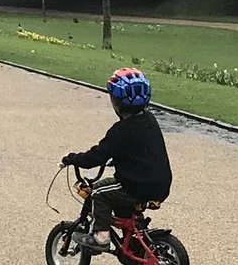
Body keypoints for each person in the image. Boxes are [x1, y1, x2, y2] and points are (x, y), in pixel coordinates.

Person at [63, 68, 172, 232]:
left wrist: (74, 159)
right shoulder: (149, 120)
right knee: (121, 201)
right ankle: (136, 234)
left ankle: (101, 236)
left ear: (117, 102)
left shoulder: (120, 131)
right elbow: (139, 148)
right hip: (161, 184)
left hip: (136, 186)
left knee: (99, 191)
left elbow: (97, 156)